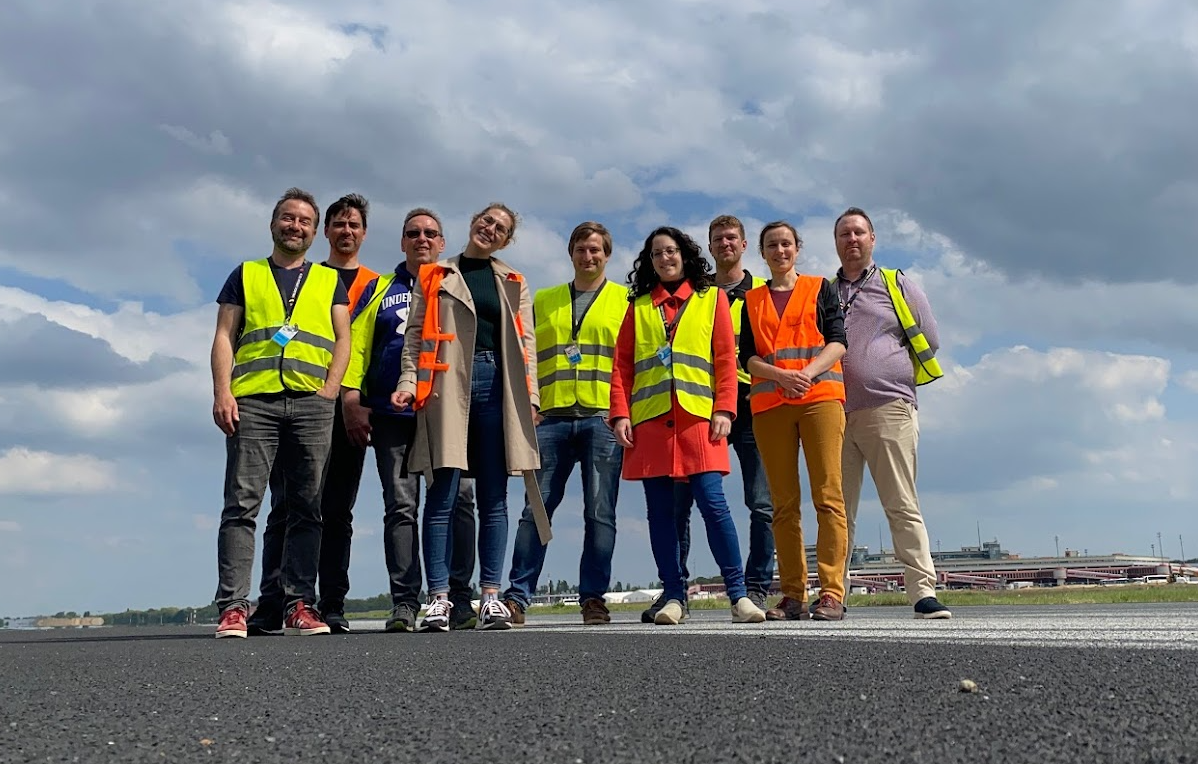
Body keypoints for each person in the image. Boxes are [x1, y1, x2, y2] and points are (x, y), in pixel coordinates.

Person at [392, 202, 548, 632]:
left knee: (494, 497)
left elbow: (527, 343)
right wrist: (409, 382)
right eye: (486, 221)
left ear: (506, 239)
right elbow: (415, 337)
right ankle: (439, 598)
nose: (490, 229)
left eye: (500, 228)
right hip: (446, 388)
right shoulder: (437, 274)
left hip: (500, 387)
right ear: (473, 223)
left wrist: (531, 398)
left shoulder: (513, 280)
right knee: (443, 492)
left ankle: (491, 597)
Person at [210, 187, 351, 638]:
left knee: (307, 507)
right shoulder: (246, 274)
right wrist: (222, 392)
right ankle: (234, 606)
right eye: (288, 218)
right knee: (242, 504)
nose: (296, 226)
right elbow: (224, 336)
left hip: (312, 403)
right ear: (274, 224)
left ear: (315, 231)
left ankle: (299, 604)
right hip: (254, 401)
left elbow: (343, 339)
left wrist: (330, 391)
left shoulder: (330, 280)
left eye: (305, 221)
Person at [608, 226, 766, 626]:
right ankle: (674, 596)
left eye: (672, 251)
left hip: (700, 421)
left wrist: (725, 410)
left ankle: (738, 595)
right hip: (651, 424)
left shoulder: (710, 298)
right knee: (661, 514)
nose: (665, 258)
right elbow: (622, 367)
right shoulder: (639, 306)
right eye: (657, 253)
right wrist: (620, 413)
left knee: (714, 505)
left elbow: (727, 360)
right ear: (650, 261)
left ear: (685, 255)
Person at [340, 207, 481, 632]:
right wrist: (352, 395)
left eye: (431, 233)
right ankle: (405, 600)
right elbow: (359, 345)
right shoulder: (380, 289)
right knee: (401, 506)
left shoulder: (459, 285)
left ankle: (458, 597)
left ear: (442, 243)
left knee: (460, 502)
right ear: (402, 242)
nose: (422, 239)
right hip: (392, 413)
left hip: (449, 415)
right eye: (413, 233)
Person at [249, 193, 379, 635]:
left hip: (351, 408)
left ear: (364, 233)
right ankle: (274, 601)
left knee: (337, 510)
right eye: (339, 224)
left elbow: (370, 345)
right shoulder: (306, 277)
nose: (347, 231)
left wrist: (350, 396)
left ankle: (332, 602)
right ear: (326, 231)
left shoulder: (379, 285)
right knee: (287, 506)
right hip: (304, 404)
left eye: (355, 225)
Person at [501, 222, 627, 626]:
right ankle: (517, 596)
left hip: (601, 419)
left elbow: (632, 362)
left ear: (606, 255)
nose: (588, 257)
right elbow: (525, 355)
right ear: (570, 253)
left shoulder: (625, 300)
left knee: (599, 512)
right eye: (581, 250)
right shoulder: (545, 299)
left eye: (596, 250)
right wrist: (530, 407)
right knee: (535, 511)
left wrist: (623, 412)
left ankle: (593, 598)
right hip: (551, 417)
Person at [831, 207, 951, 619]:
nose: (852, 239)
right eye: (845, 233)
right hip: (836, 415)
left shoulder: (895, 283)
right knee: (838, 509)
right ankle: (834, 592)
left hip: (889, 407)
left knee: (901, 503)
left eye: (859, 232)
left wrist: (885, 365)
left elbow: (930, 339)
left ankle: (922, 591)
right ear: (836, 242)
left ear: (872, 238)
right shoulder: (826, 291)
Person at [654, 214, 773, 623]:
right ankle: (675, 591)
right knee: (679, 506)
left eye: (732, 238)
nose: (725, 244)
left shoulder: (761, 291)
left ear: (743, 245)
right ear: (707, 247)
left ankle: (754, 586)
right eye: (717, 239)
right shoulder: (698, 294)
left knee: (760, 502)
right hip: (701, 408)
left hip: (751, 402)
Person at [740, 221, 849, 621]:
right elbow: (746, 357)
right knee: (783, 505)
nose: (780, 250)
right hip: (771, 405)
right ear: (763, 253)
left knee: (828, 498)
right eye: (772, 245)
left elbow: (838, 340)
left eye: (786, 243)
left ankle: (832, 592)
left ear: (797, 249)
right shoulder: (752, 300)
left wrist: (808, 372)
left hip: (820, 399)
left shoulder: (821, 288)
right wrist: (781, 376)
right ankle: (792, 595)